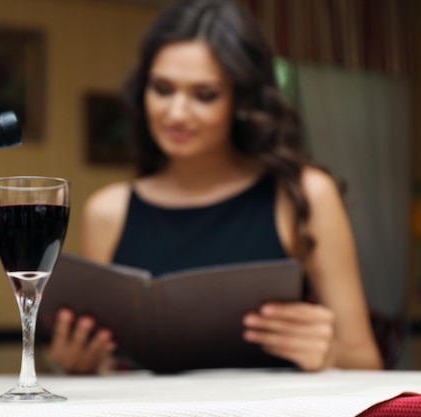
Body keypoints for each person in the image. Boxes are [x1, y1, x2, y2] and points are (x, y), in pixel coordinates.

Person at [48, 0, 383, 374]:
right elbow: (106, 363)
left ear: (241, 100)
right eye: (162, 88)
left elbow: (365, 360)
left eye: (204, 94)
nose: (176, 113)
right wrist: (82, 365)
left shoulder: (304, 194)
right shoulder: (107, 211)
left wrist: (329, 356)